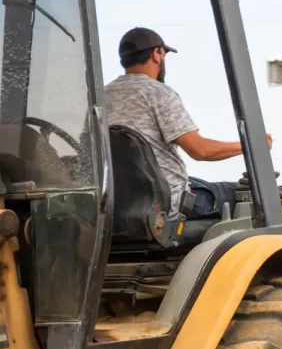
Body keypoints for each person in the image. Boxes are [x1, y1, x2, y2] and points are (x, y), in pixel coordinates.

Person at [104, 27, 272, 219]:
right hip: (167, 203)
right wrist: (253, 144)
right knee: (248, 196)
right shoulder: (159, 93)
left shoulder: (100, 96)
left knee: (201, 185)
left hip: (117, 204)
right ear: (157, 54)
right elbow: (200, 151)